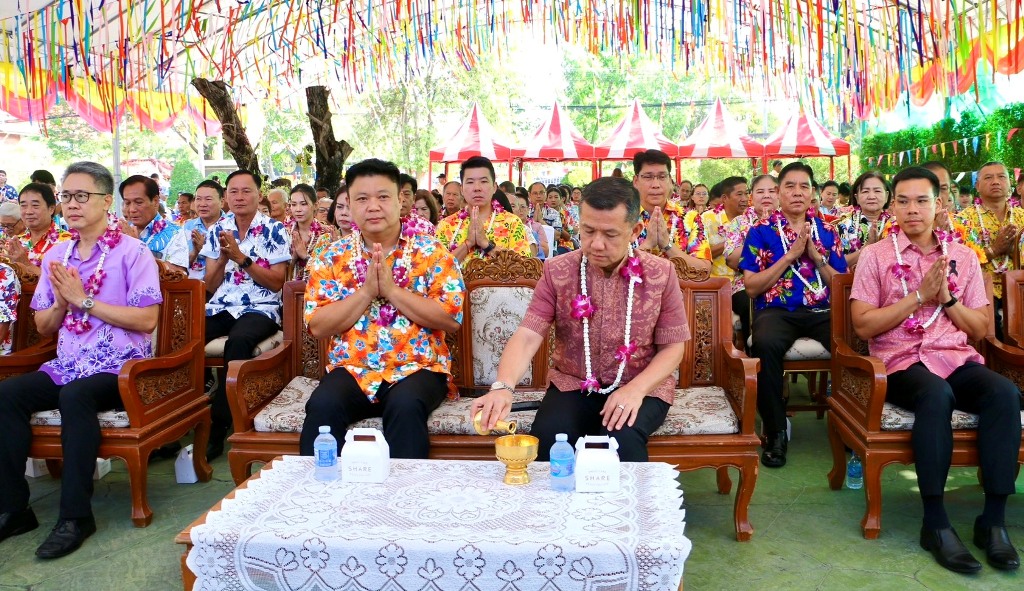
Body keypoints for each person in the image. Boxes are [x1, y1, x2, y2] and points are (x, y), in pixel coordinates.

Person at [850, 166, 1021, 574]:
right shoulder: (874, 257)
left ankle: (993, 521)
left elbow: (981, 329)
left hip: (955, 357)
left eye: (922, 200)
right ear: (893, 206)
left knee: (1004, 393)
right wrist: (918, 296)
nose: (913, 209)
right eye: (904, 201)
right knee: (935, 394)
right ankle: (936, 522)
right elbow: (863, 326)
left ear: (938, 204)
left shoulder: (962, 256)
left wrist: (945, 301)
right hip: (899, 362)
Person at [0, 161, 161, 558]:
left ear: (107, 202)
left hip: (121, 366)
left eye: (82, 196)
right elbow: (43, 326)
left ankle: (75, 516)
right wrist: (59, 300)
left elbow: (147, 319)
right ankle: (13, 508)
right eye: (67, 196)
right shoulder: (57, 253)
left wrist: (83, 300)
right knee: (8, 395)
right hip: (69, 363)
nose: (72, 204)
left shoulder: (133, 252)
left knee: (76, 397)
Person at [471, 177, 688, 462]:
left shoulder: (660, 274)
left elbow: (674, 347)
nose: (596, 244)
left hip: (641, 384)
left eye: (610, 234)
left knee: (619, 437)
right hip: (573, 383)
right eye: (588, 231)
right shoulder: (557, 270)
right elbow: (528, 334)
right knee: (549, 436)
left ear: (635, 230)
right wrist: (503, 385)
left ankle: (622, 507)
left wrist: (636, 390)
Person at [301, 158, 464, 459]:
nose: (373, 206)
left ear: (401, 200)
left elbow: (450, 317)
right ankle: (322, 499)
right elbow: (318, 325)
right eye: (362, 198)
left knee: (405, 405)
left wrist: (390, 291)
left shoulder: (432, 252)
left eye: (383, 196)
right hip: (352, 368)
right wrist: (366, 293)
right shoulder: (330, 257)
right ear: (348, 204)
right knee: (323, 404)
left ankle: (402, 502)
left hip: (419, 368)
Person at [739, 162, 847, 468]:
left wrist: (816, 258)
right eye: (789, 186)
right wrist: (789, 257)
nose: (797, 192)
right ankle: (775, 432)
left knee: (853, 342)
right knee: (764, 344)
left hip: (822, 309)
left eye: (804, 186)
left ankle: (851, 423)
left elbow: (840, 287)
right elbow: (750, 287)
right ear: (778, 192)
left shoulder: (827, 231)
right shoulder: (760, 232)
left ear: (812, 192)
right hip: (776, 311)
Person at [200, 170, 290, 460]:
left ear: (258, 194)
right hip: (223, 305)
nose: (239, 197)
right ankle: (183, 415)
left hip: (260, 308)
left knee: (236, 343)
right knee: (188, 336)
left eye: (246, 191)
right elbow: (210, 285)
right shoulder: (218, 229)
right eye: (233, 192)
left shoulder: (274, 230)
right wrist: (223, 259)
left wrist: (242, 259)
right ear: (226, 197)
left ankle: (221, 424)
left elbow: (277, 282)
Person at [955, 161, 1024, 339]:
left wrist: (1013, 252)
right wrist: (994, 249)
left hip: (1020, 289)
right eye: (988, 178)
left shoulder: (1022, 217)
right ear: (977, 186)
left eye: (1001, 177)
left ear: (1010, 184)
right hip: (983, 291)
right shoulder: (963, 220)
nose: (995, 181)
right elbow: (959, 265)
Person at [435, 156, 531, 262]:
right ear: (462, 189)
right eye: (470, 182)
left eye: (484, 181)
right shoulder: (446, 225)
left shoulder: (513, 223)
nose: (477, 188)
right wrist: (468, 243)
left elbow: (523, 269)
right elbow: (436, 268)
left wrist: (485, 244)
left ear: (494, 187)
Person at [631, 150, 711, 270]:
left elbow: (704, 269)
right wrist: (648, 244)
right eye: (648, 177)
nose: (656, 184)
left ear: (670, 181)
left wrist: (667, 244)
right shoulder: (623, 218)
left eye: (662, 177)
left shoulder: (689, 218)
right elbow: (612, 271)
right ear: (636, 181)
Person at [724, 174, 780, 338]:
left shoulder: (787, 221)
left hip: (785, 283)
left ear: (779, 194)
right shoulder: (740, 222)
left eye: (772, 191)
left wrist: (755, 253)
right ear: (752, 196)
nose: (766, 195)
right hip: (746, 286)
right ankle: (754, 357)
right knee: (753, 302)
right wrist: (768, 245)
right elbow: (732, 259)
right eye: (760, 191)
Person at [118, 175, 189, 273]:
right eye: (127, 203)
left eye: (138, 202)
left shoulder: (175, 233)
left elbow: (178, 276)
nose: (132, 209)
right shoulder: (120, 233)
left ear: (155, 201)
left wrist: (137, 247)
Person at [3, 183, 72, 278]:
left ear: (51, 209)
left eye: (35, 205)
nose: (28, 211)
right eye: (23, 206)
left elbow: (66, 285)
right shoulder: (14, 242)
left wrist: (26, 264)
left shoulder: (68, 242)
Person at [702, 176, 748, 300]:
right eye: (739, 194)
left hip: (744, 284)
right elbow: (700, 256)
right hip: (716, 283)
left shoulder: (752, 219)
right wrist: (732, 241)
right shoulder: (706, 219)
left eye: (746, 193)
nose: (744, 199)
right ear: (724, 198)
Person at [835, 172, 893, 269]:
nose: (871, 196)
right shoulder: (844, 225)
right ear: (856, 197)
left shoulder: (896, 225)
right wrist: (867, 246)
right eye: (865, 191)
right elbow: (838, 264)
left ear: (887, 196)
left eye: (877, 191)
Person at [286, 184, 333, 281]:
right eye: (293, 204)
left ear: (315, 205)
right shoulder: (284, 232)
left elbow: (331, 270)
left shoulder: (326, 234)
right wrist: (293, 259)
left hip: (318, 292)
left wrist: (305, 256)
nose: (298, 209)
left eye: (303, 204)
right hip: (289, 292)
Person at [183, 180, 224, 282]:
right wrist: (195, 252)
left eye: (208, 199)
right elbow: (178, 265)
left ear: (222, 202)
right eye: (198, 199)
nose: (202, 204)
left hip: (223, 287)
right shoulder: (187, 227)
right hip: (192, 285)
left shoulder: (232, 226)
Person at [511, 192, 546, 258]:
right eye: (514, 206)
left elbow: (541, 255)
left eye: (522, 207)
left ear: (528, 209)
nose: (519, 210)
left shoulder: (532, 231)